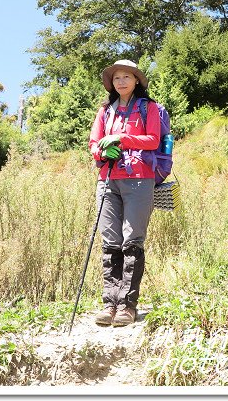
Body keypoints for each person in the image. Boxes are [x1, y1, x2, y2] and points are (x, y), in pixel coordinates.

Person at [88, 59, 161, 327]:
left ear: (136, 81)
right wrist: (102, 151)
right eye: (117, 77)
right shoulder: (105, 112)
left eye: (126, 77)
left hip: (140, 179)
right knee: (110, 241)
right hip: (108, 180)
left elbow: (153, 139)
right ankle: (110, 304)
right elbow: (94, 143)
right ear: (112, 83)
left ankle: (128, 306)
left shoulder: (148, 108)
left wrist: (121, 139)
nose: (121, 81)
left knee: (132, 240)